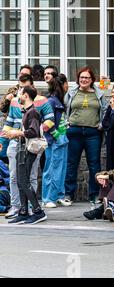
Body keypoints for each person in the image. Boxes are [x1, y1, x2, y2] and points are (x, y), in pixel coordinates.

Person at [2, 74, 55, 219]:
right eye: (19, 85)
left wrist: (36, 131)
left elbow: (48, 121)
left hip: (30, 145)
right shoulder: (16, 104)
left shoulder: (38, 105)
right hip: (16, 144)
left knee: (28, 177)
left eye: (22, 87)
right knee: (16, 177)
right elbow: (10, 122)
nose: (19, 90)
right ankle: (19, 208)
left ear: (30, 88)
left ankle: (33, 208)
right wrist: (3, 138)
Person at [64, 67, 107, 204]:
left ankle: (94, 195)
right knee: (72, 163)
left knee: (94, 164)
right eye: (81, 77)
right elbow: (65, 109)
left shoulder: (99, 94)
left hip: (93, 133)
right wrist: (66, 123)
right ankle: (68, 195)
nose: (84, 80)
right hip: (74, 131)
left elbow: (105, 111)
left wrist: (101, 125)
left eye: (87, 77)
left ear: (91, 80)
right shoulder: (72, 93)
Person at [7, 86, 47, 225]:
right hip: (23, 148)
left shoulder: (33, 112)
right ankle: (23, 212)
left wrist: (16, 133)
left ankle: (38, 211)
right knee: (20, 180)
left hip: (29, 150)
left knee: (24, 180)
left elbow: (33, 131)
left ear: (25, 95)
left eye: (20, 93)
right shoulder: (27, 112)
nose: (18, 96)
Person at [42, 74, 70, 208]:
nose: (68, 86)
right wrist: (55, 134)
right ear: (62, 85)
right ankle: (48, 198)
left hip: (62, 139)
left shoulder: (60, 101)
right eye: (66, 83)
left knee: (61, 168)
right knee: (52, 169)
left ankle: (59, 195)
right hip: (54, 140)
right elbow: (46, 121)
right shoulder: (51, 101)